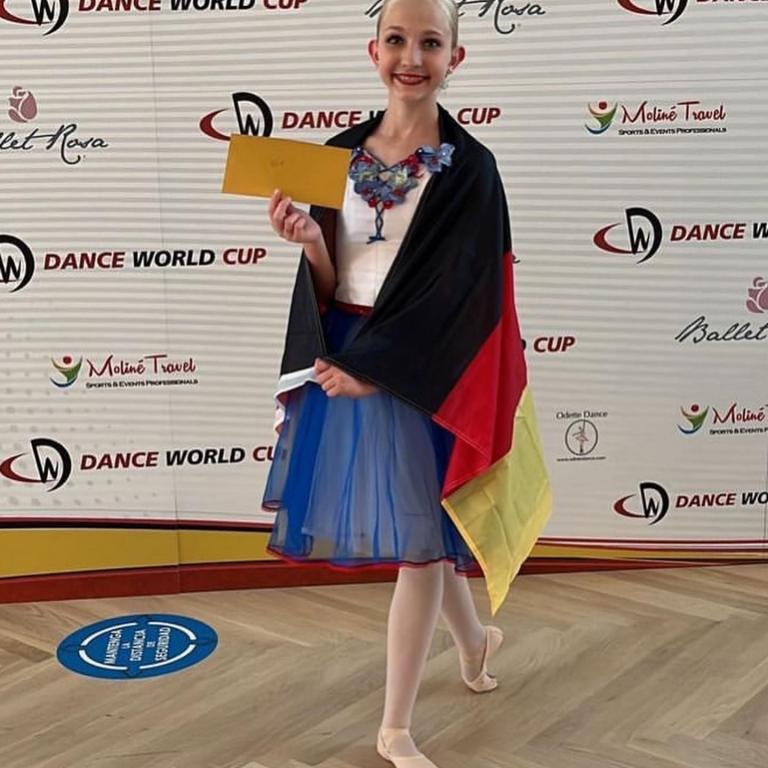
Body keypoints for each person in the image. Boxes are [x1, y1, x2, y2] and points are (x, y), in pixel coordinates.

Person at [261, 1, 552, 766]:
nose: (411, 57)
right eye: (397, 40)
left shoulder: (472, 170)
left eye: (430, 42)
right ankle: (476, 642)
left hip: (424, 371)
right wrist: (309, 243)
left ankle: (393, 727)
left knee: (421, 543)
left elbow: (467, 298)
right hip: (349, 356)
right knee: (423, 529)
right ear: (374, 50)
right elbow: (334, 279)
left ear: (456, 57)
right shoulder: (335, 156)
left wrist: (379, 372)